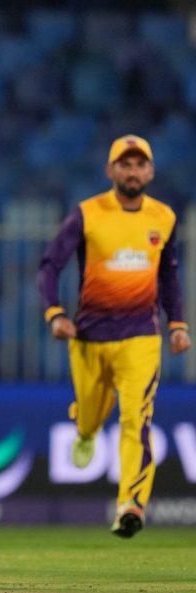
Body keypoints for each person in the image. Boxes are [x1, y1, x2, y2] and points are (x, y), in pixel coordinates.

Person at [37, 134, 191, 538]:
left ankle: (131, 505)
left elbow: (170, 275)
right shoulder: (88, 214)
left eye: (140, 164)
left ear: (151, 172)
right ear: (111, 170)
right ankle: (85, 431)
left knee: (136, 418)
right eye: (125, 164)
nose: (133, 171)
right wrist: (55, 313)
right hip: (90, 338)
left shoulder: (164, 217)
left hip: (141, 338)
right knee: (91, 416)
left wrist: (177, 324)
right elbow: (50, 265)